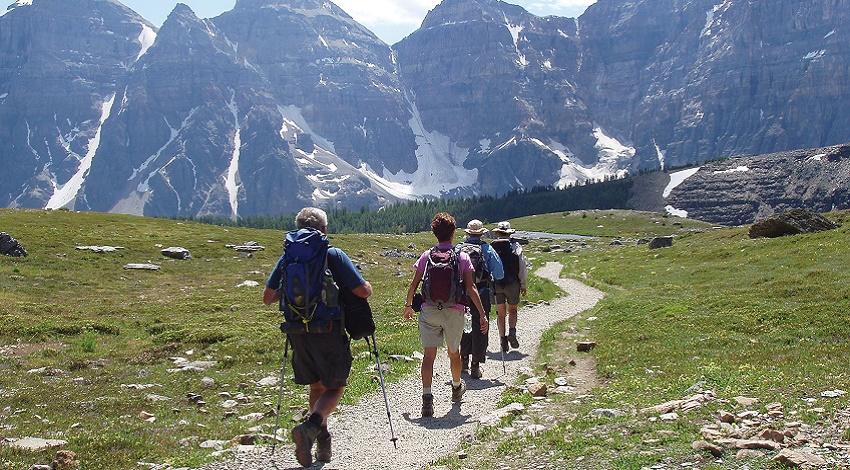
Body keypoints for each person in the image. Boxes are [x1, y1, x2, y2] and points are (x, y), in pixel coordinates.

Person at [263, 207, 372, 467]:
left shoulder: (288, 257)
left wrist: (294, 294)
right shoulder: (331, 253)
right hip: (328, 329)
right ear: (324, 229)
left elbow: (268, 297)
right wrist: (366, 286)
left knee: (316, 386)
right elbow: (361, 290)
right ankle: (310, 428)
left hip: (297, 331)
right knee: (335, 386)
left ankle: (322, 442)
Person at [403, 212, 489, 417]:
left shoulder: (427, 255)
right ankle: (457, 388)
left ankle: (426, 400)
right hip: (454, 311)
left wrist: (408, 306)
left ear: (435, 233)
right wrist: (482, 314)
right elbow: (471, 287)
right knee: (454, 352)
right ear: (452, 233)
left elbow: (414, 284)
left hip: (429, 310)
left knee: (429, 356)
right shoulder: (462, 256)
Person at [457, 220, 503, 379]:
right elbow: (499, 273)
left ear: (468, 233)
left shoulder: (459, 249)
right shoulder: (487, 249)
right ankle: (475, 366)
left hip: (461, 294)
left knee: (464, 325)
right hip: (481, 292)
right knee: (481, 326)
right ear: (482, 233)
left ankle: (463, 361)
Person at [490, 221, 528, 353]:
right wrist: (523, 284)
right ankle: (512, 331)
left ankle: (503, 341)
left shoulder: (492, 247)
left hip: (497, 283)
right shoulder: (515, 246)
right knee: (513, 310)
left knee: (501, 314)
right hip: (512, 283)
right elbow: (522, 266)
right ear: (509, 232)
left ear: (498, 233)